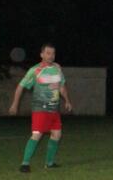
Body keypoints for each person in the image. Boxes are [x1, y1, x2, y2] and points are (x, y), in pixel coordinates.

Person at [9, 43, 72, 172]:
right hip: (40, 109)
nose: (51, 56)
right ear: (42, 54)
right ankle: (25, 164)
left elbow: (61, 86)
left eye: (53, 53)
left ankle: (49, 163)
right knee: (37, 135)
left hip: (54, 109)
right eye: (48, 53)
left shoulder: (57, 68)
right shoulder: (35, 70)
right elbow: (21, 86)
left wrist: (67, 100)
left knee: (56, 135)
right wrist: (15, 104)